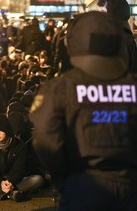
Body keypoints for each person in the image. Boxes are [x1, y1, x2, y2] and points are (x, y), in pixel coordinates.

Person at [30, 11, 137, 211]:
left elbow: (45, 140)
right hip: (130, 185)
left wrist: (62, 177)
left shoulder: (58, 90)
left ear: (73, 43)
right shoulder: (132, 86)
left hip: (82, 184)